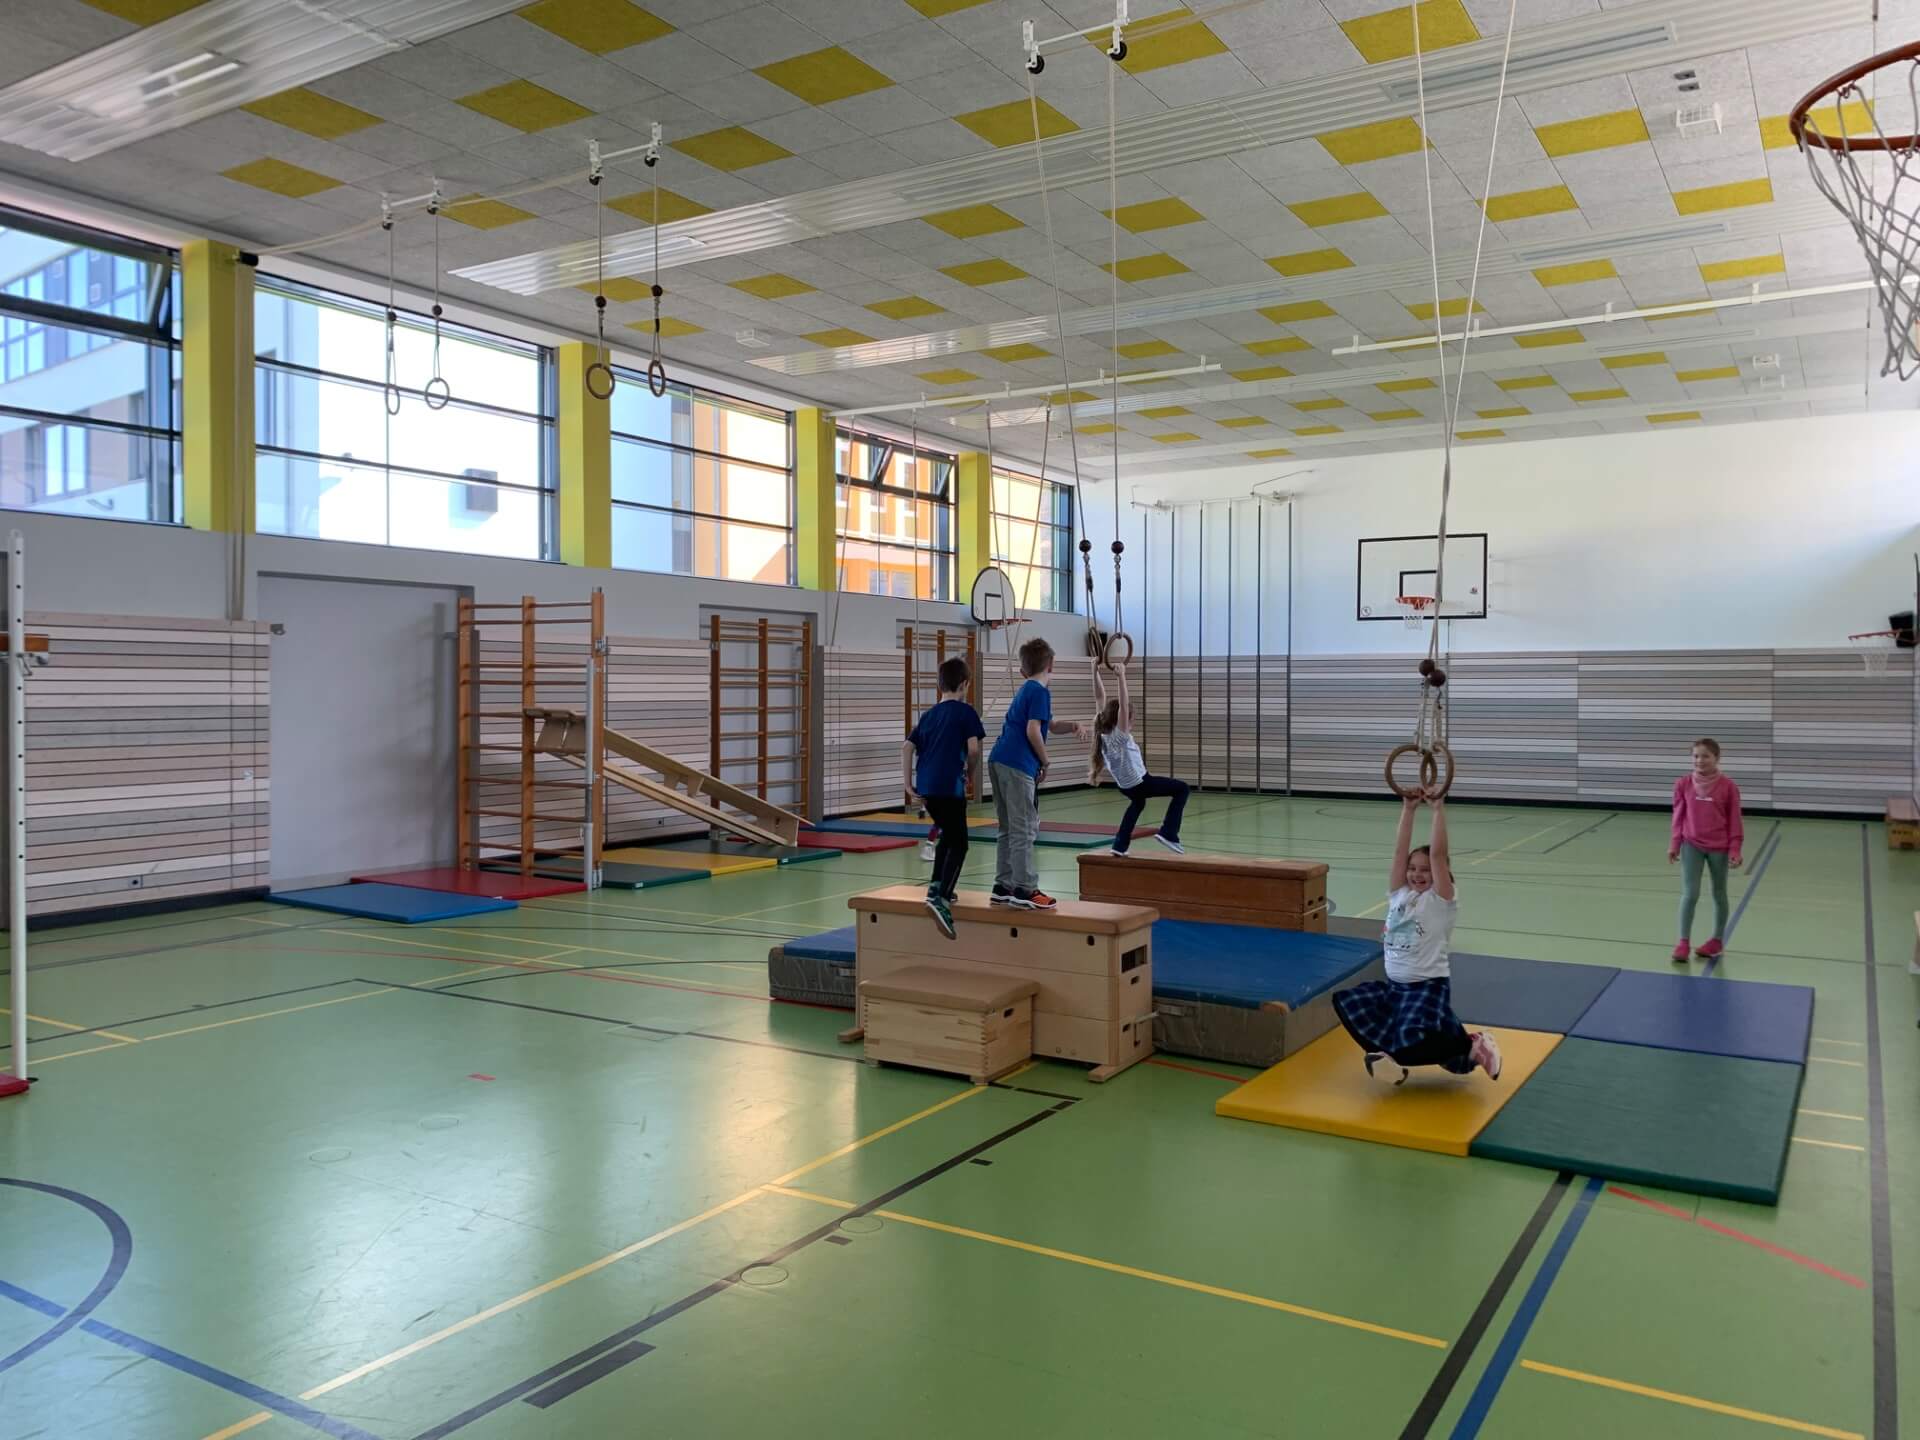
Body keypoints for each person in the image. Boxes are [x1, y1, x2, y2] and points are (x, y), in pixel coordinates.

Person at [1330, 789, 1502, 1082]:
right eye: (1412, 869)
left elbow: (1438, 854)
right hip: (1395, 988)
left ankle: (1472, 1046)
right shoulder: (1400, 894)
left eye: (1425, 870)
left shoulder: (1441, 901)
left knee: (1411, 1045)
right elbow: (1400, 852)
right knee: (1346, 1003)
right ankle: (1403, 1058)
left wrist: (1437, 809)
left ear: (1439, 873)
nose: (1416, 874)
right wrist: (1408, 809)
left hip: (1427, 986)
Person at [986, 636, 1082, 910]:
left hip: (998, 760)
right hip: (1017, 765)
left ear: (1022, 671)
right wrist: (1046, 761)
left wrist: (1073, 726)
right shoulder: (1040, 692)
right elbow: (1033, 731)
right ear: (1051, 665)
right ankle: (1025, 889)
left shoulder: (1027, 690)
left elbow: (1049, 725)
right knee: (1024, 828)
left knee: (1007, 827)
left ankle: (1003, 886)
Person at [904, 656, 984, 939]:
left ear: (940, 685)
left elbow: (907, 747)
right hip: (950, 787)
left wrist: (908, 783)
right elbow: (973, 750)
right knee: (960, 843)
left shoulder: (929, 715)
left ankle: (935, 887)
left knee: (948, 837)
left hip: (927, 788)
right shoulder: (966, 712)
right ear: (964, 685)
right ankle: (943, 899)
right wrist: (970, 773)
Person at [1089, 662, 1186, 856]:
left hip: (1125, 786)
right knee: (1182, 789)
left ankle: (1119, 845)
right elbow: (1124, 706)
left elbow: (1099, 697)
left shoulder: (1102, 730)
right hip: (1140, 783)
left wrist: (1094, 671)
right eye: (1131, 718)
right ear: (1121, 719)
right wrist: (1121, 677)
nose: (1131, 721)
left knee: (1138, 803)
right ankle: (1169, 833)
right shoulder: (1120, 735)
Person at [1669, 736, 1743, 962]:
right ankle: (1683, 942)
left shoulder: (1728, 787)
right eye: (1696, 756)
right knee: (1690, 893)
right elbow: (1678, 817)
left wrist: (1735, 848)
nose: (1700, 760)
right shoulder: (1683, 784)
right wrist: (1675, 844)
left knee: (1719, 893)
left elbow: (1735, 820)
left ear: (1717, 758)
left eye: (1705, 756)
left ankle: (1717, 941)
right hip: (1691, 844)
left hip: (1719, 847)